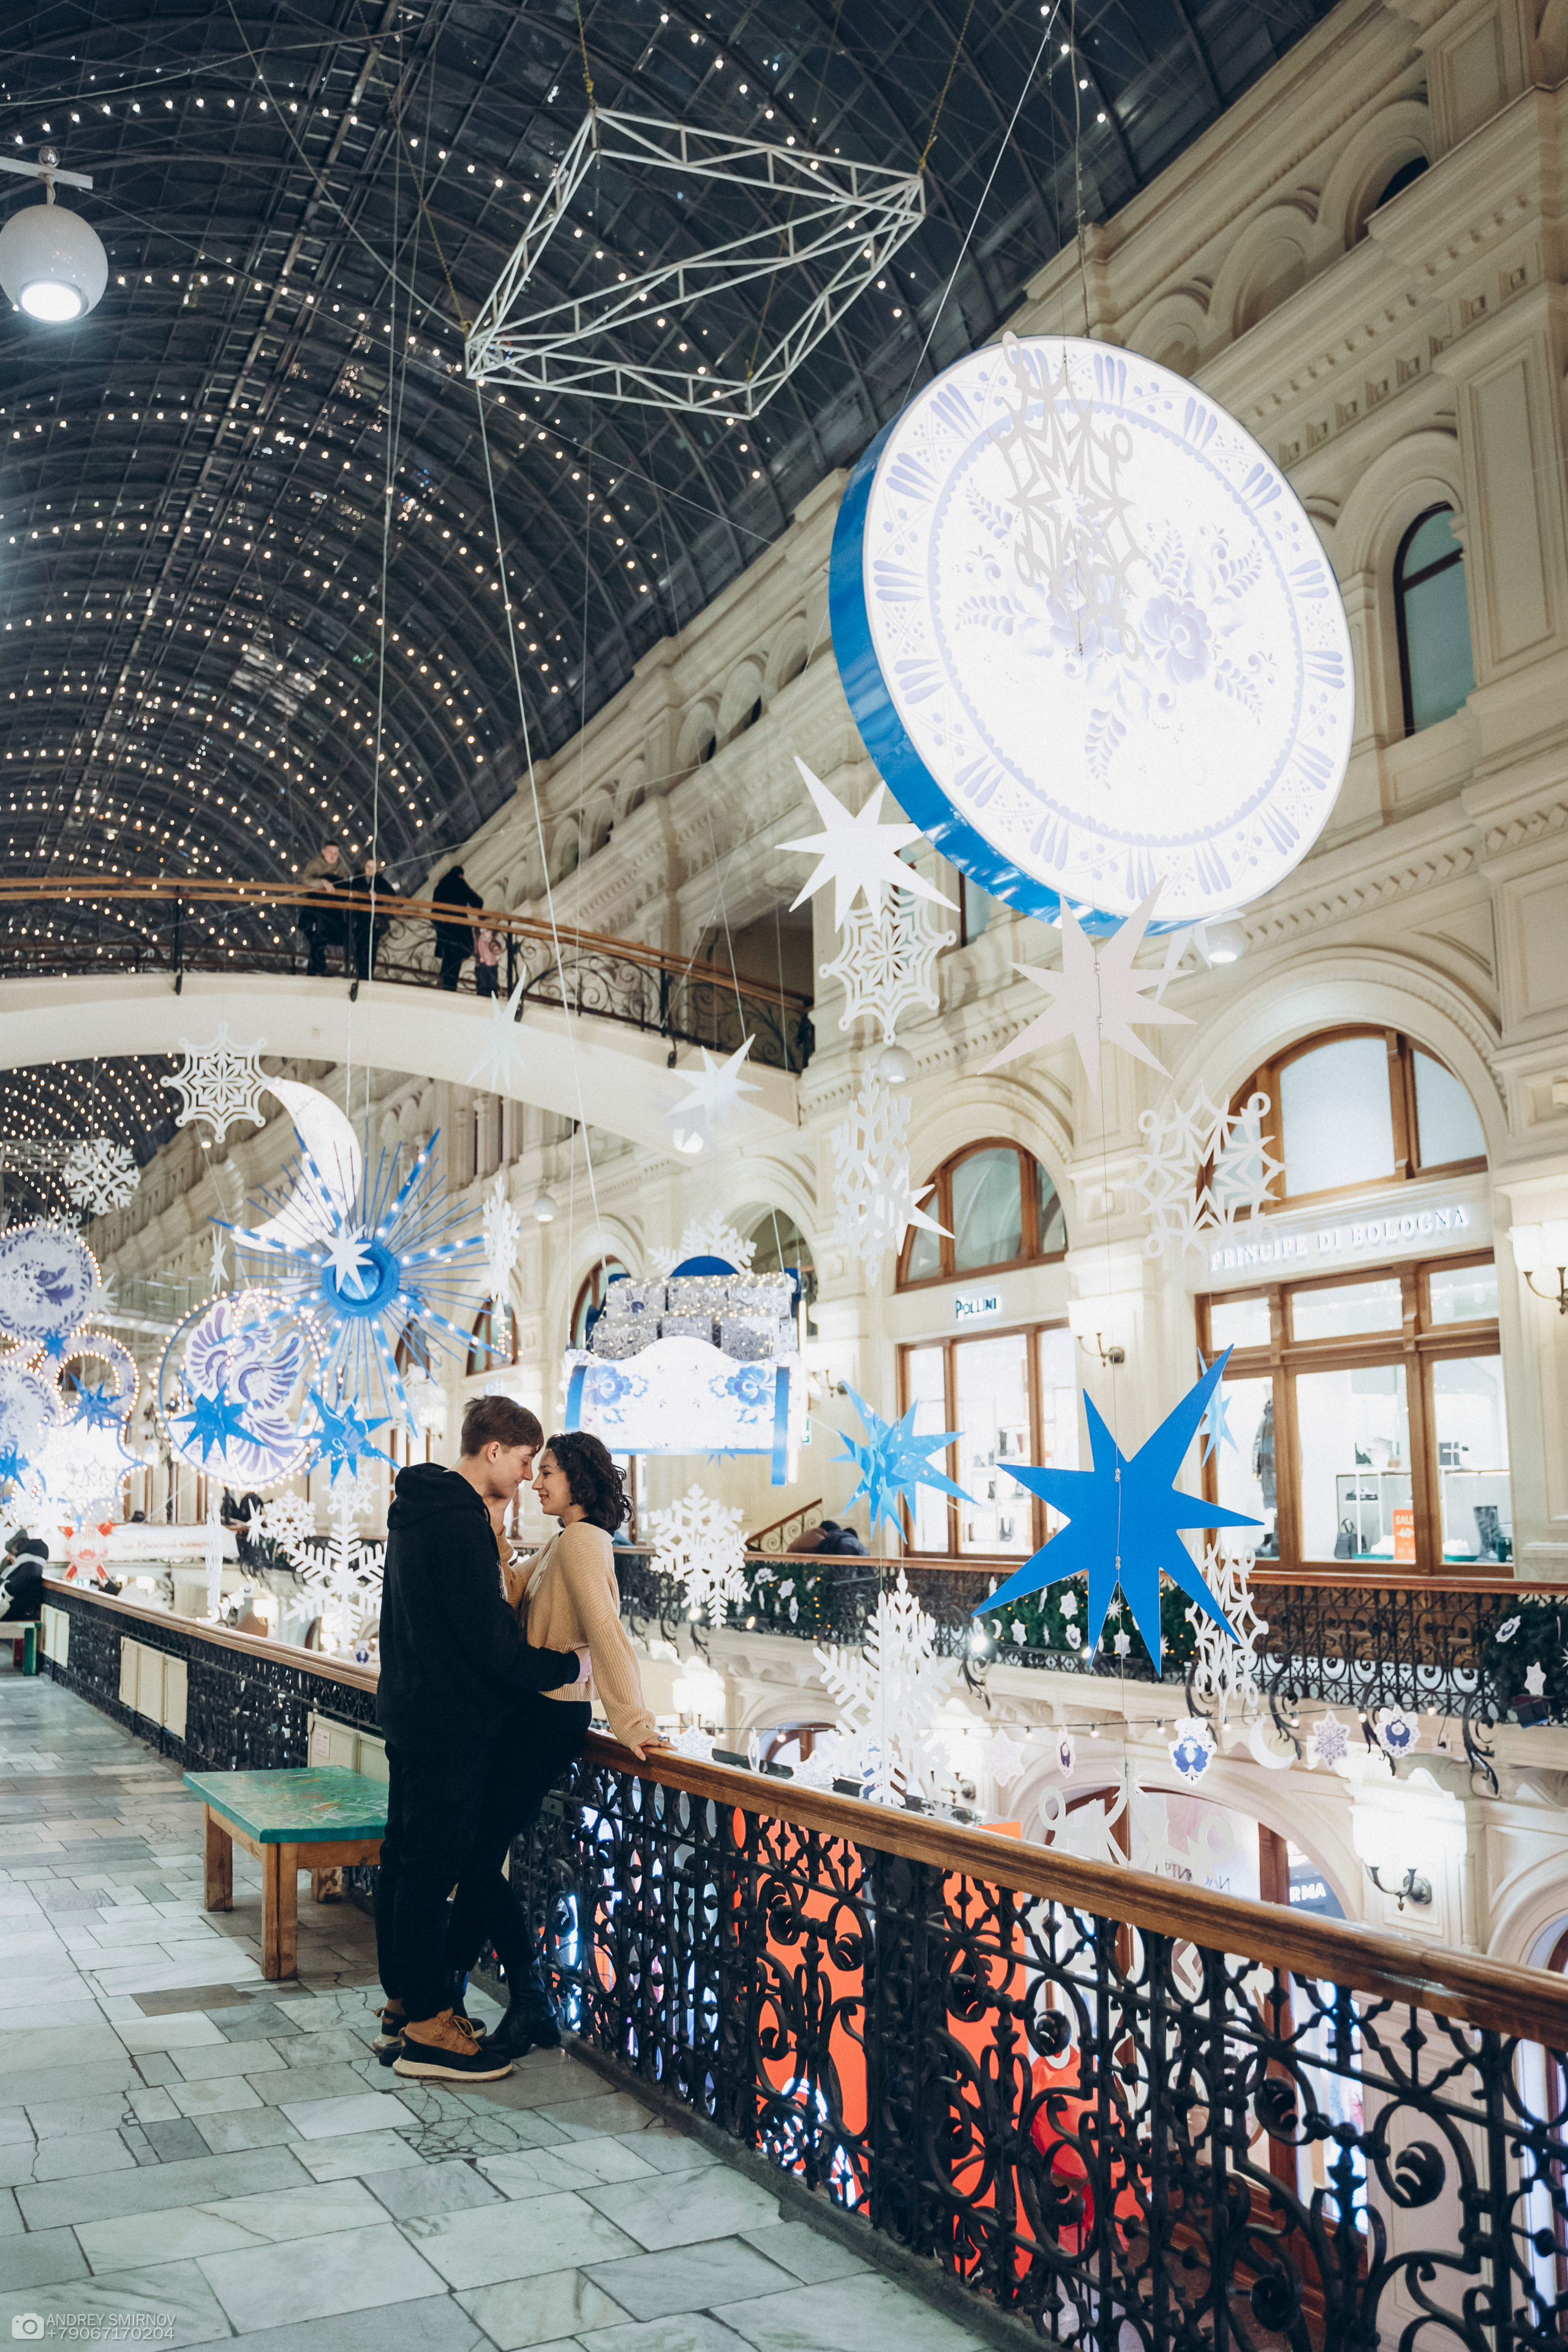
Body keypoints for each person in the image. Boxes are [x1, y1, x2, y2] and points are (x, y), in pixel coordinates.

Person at [374, 1395, 592, 2083]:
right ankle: (432, 2030)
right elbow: (492, 1646)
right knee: (432, 1871)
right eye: (526, 1460)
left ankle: (409, 2003)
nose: (530, 1475)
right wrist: (568, 1667)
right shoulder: (460, 1525)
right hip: (451, 1724)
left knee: (408, 1861)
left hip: (411, 1711)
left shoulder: (420, 1510)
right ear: (493, 1451)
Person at [443, 1430, 662, 2062]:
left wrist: (632, 1720)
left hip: (549, 1721)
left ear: (578, 1479)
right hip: (529, 1715)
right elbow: (515, 1604)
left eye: (548, 1473)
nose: (536, 1483)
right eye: (534, 1472)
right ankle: (465, 1997)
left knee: (477, 1859)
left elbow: (606, 1633)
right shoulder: (566, 1541)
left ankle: (520, 2000)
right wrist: (496, 1539)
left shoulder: (586, 1544)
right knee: (477, 1858)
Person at [344, 858, 399, 986]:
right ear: (364, 867)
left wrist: (376, 893)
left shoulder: (380, 881)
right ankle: (360, 974)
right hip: (360, 919)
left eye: (373, 867)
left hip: (375, 922)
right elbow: (352, 890)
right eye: (368, 866)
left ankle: (368, 975)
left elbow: (391, 893)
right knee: (360, 946)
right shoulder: (358, 879)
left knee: (372, 948)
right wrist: (367, 892)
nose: (370, 870)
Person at [298, 839, 348, 976]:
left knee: (324, 937)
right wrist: (323, 882)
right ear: (324, 852)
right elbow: (306, 880)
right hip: (315, 909)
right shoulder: (315, 865)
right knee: (317, 937)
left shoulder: (342, 868)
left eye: (336, 853)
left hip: (332, 910)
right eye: (331, 852)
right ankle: (317, 967)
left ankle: (317, 968)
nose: (333, 856)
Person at [431, 861, 483, 990]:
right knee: (456, 958)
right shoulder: (459, 883)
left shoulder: (439, 887)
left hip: (444, 930)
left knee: (449, 958)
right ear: (460, 875)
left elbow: (434, 912)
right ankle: (449, 985)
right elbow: (477, 902)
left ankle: (444, 982)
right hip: (459, 930)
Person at [473, 926, 500, 998]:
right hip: (483, 964)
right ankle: (483, 995)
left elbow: (496, 950)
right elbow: (479, 949)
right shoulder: (481, 940)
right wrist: (481, 957)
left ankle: (493, 995)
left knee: (492, 981)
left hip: (492, 964)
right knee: (483, 981)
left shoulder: (493, 940)